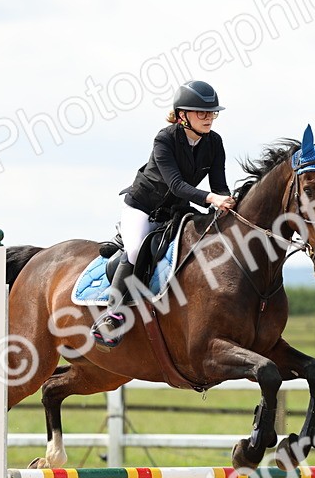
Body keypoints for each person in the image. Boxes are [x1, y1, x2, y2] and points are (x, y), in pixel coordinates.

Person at [91, 80, 235, 348]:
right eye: (201, 112)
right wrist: (211, 199)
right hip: (143, 207)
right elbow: (176, 185)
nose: (208, 118)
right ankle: (111, 316)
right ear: (182, 115)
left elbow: (219, 185)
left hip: (176, 211)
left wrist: (227, 202)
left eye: (211, 113)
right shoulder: (165, 138)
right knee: (135, 251)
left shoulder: (215, 143)